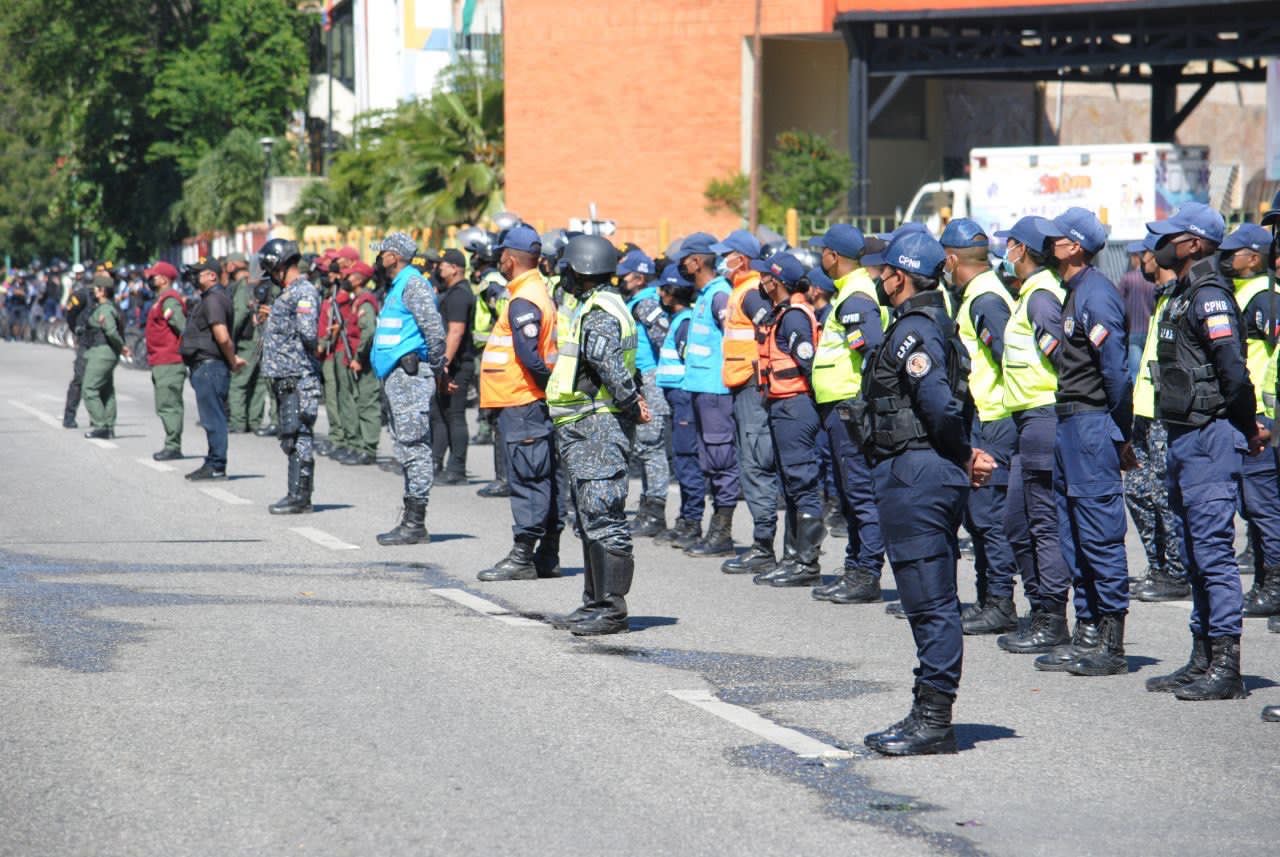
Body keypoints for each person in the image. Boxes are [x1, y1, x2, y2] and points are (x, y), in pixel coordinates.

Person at [857, 230, 994, 756]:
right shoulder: (924, 323)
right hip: (913, 473)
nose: (878, 276)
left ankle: (934, 721)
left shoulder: (916, 330)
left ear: (901, 275)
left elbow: (938, 405)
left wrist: (962, 454)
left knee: (931, 601)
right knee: (923, 601)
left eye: (885, 269)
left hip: (918, 475)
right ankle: (925, 709)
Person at [1145, 204, 1264, 701]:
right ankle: (1202, 655)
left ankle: (1226, 666)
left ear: (1193, 242)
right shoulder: (1181, 292)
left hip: (1210, 434)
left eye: (1168, 236)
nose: (1159, 244)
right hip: (1182, 435)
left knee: (1213, 553)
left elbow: (1232, 372)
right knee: (1195, 551)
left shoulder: (1210, 294)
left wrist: (1245, 423)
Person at [1037, 207, 1133, 677]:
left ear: (1074, 246)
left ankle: (1111, 646)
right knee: (1072, 533)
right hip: (1069, 425)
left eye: (1056, 237)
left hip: (1091, 424)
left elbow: (1115, 372)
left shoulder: (1096, 294)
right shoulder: (1075, 292)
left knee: (1098, 535)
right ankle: (1088, 631)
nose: (1048, 242)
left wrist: (1119, 430)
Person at [545, 235, 651, 635]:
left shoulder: (602, 311)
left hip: (598, 425)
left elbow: (607, 364)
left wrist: (631, 401)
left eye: (569, 269)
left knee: (604, 515)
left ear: (583, 270)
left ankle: (611, 609)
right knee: (589, 515)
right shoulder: (596, 305)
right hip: (586, 423)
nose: (564, 276)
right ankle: (593, 601)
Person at [989, 217, 1072, 658]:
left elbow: (1064, 360)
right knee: (1016, 523)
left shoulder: (1040, 298)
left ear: (1021, 249)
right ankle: (1041, 607)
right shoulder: (1030, 295)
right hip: (1026, 421)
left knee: (1041, 524)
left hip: (1043, 418)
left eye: (1009, 245)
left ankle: (1052, 618)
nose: (1006, 252)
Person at [938, 219, 1020, 635]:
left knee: (988, 518)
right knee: (979, 515)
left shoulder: (985, 300)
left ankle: (1001, 603)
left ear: (952, 259)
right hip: (984, 416)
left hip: (994, 418)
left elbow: (1010, 358)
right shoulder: (975, 294)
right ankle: (989, 597)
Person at [804, 224, 888, 603]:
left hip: (849, 408)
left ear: (833, 256)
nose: (820, 257)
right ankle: (855, 566)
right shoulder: (847, 293)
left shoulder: (855, 297)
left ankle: (866, 573)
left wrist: (861, 402)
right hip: (838, 408)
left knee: (859, 493)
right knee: (848, 491)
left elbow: (872, 351)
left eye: (822, 251)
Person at [477, 225, 562, 580]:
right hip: (527, 400)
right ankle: (548, 556)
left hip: (523, 400)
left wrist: (546, 389)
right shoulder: (533, 292)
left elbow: (531, 359)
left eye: (501, 255)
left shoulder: (524, 299)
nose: (499, 260)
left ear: (510, 259)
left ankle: (524, 556)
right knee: (544, 475)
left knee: (529, 477)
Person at [751, 253, 826, 587]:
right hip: (782, 405)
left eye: (766, 276)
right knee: (791, 485)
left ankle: (806, 563)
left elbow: (807, 361)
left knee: (802, 483)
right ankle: (792, 557)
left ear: (776, 281)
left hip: (796, 406)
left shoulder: (794, 317)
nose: (762, 281)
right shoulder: (780, 314)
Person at [1219, 223, 1280, 618]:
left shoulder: (1265, 298)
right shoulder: (1243, 294)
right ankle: (1263, 580)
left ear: (1253, 257)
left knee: (1263, 506)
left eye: (1234, 253)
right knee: (1252, 506)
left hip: (1262, 416)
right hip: (1249, 413)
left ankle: (1274, 584)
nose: (1227, 259)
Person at [370, 232, 447, 544]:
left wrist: (439, 367)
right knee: (405, 444)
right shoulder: (399, 284)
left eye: (384, 251)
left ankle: (415, 523)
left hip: (410, 376)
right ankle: (410, 519)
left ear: (395, 255)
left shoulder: (413, 283)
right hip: (397, 377)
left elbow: (433, 328)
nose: (380, 256)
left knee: (414, 446)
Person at [1125, 235, 1190, 602]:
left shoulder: (1179, 296)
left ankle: (1176, 573)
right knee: (1136, 489)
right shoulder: (1162, 295)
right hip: (1145, 410)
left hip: (1165, 412)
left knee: (1164, 494)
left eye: (1146, 252)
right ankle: (1158, 566)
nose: (1142, 259)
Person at [714, 229, 779, 562]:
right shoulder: (740, 290)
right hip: (744, 384)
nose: (722, 260)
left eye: (727, 254)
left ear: (741, 259)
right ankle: (763, 541)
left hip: (753, 385)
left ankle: (764, 545)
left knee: (755, 461)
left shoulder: (750, 292)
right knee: (752, 459)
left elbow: (769, 327)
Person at [675, 233, 741, 554]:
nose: (681, 266)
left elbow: (733, 339)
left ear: (697, 261)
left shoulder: (719, 296)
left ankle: (722, 533)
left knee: (721, 458)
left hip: (717, 391)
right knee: (708, 459)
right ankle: (716, 529)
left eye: (684, 259)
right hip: (703, 390)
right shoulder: (705, 295)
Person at [258, 239, 323, 515]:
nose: (271, 277)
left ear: (282, 266)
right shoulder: (287, 294)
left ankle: (299, 495)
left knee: (298, 436)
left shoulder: (303, 291)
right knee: (291, 435)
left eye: (272, 270)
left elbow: (308, 333)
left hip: (298, 375)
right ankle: (296, 493)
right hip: (285, 375)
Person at [619, 248, 673, 538]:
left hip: (650, 378)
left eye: (625, 275)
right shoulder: (638, 301)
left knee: (652, 447)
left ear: (639, 277)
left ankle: (655, 511)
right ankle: (647, 506)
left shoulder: (646, 303)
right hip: (640, 378)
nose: (621, 279)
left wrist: (658, 377)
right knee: (643, 447)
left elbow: (663, 340)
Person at [180, 259, 246, 480]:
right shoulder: (211, 299)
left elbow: (222, 337)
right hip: (207, 367)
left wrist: (232, 361)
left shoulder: (214, 300)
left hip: (211, 367)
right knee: (211, 419)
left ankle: (217, 465)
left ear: (212, 276)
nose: (194, 278)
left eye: (199, 274)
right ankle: (212, 462)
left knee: (213, 419)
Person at [654, 263, 706, 546]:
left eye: (664, 288)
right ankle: (686, 518)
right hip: (678, 399)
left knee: (688, 460)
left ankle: (691, 521)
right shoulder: (680, 319)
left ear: (672, 292)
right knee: (682, 459)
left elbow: (689, 362)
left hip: (685, 399)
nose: (660, 293)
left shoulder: (684, 322)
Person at [430, 248, 476, 483]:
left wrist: (444, 363)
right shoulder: (450, 292)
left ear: (456, 268)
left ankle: (457, 469)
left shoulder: (460, 295)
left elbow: (456, 332)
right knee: (440, 414)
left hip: (457, 364)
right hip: (447, 362)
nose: (439, 268)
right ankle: (436, 462)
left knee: (455, 415)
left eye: (444, 264)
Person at [336, 261, 381, 466]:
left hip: (365, 361)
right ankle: (360, 445)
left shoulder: (365, 302)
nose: (346, 277)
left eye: (351, 275)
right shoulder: (357, 300)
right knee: (357, 401)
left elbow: (368, 331)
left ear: (360, 279)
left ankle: (369, 448)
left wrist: (358, 358)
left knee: (367, 403)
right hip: (354, 358)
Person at [143, 261, 187, 460]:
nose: (150, 280)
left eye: (153, 277)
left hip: (169, 360)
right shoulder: (161, 299)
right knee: (164, 403)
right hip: (161, 360)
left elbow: (182, 327)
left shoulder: (169, 300)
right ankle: (172, 443)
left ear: (163, 279)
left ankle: (173, 446)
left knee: (169, 404)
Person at [226, 253, 274, 434]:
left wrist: (228, 341)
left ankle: (239, 422)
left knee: (239, 382)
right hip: (262, 339)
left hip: (247, 341)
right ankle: (254, 421)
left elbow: (239, 315)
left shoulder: (243, 287)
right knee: (257, 383)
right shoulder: (261, 284)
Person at [80, 273, 126, 439]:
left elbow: (111, 332)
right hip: (102, 351)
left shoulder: (105, 310)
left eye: (96, 289)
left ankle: (100, 425)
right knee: (106, 390)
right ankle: (108, 426)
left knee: (89, 388)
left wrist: (122, 347)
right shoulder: (103, 307)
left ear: (103, 291)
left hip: (103, 352)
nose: (93, 291)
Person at [1118, 246, 1156, 384]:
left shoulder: (1127, 279)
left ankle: (1134, 403)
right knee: (1150, 372)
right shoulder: (1154, 280)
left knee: (1134, 372)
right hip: (1150, 332)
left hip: (1133, 331)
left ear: (1136, 257)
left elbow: (1119, 304)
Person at [61, 274, 95, 428]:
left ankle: (98, 418)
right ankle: (69, 415)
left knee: (100, 381)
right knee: (80, 379)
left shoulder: (108, 294)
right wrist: (76, 330)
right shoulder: (82, 294)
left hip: (102, 343)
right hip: (86, 342)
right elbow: (71, 314)